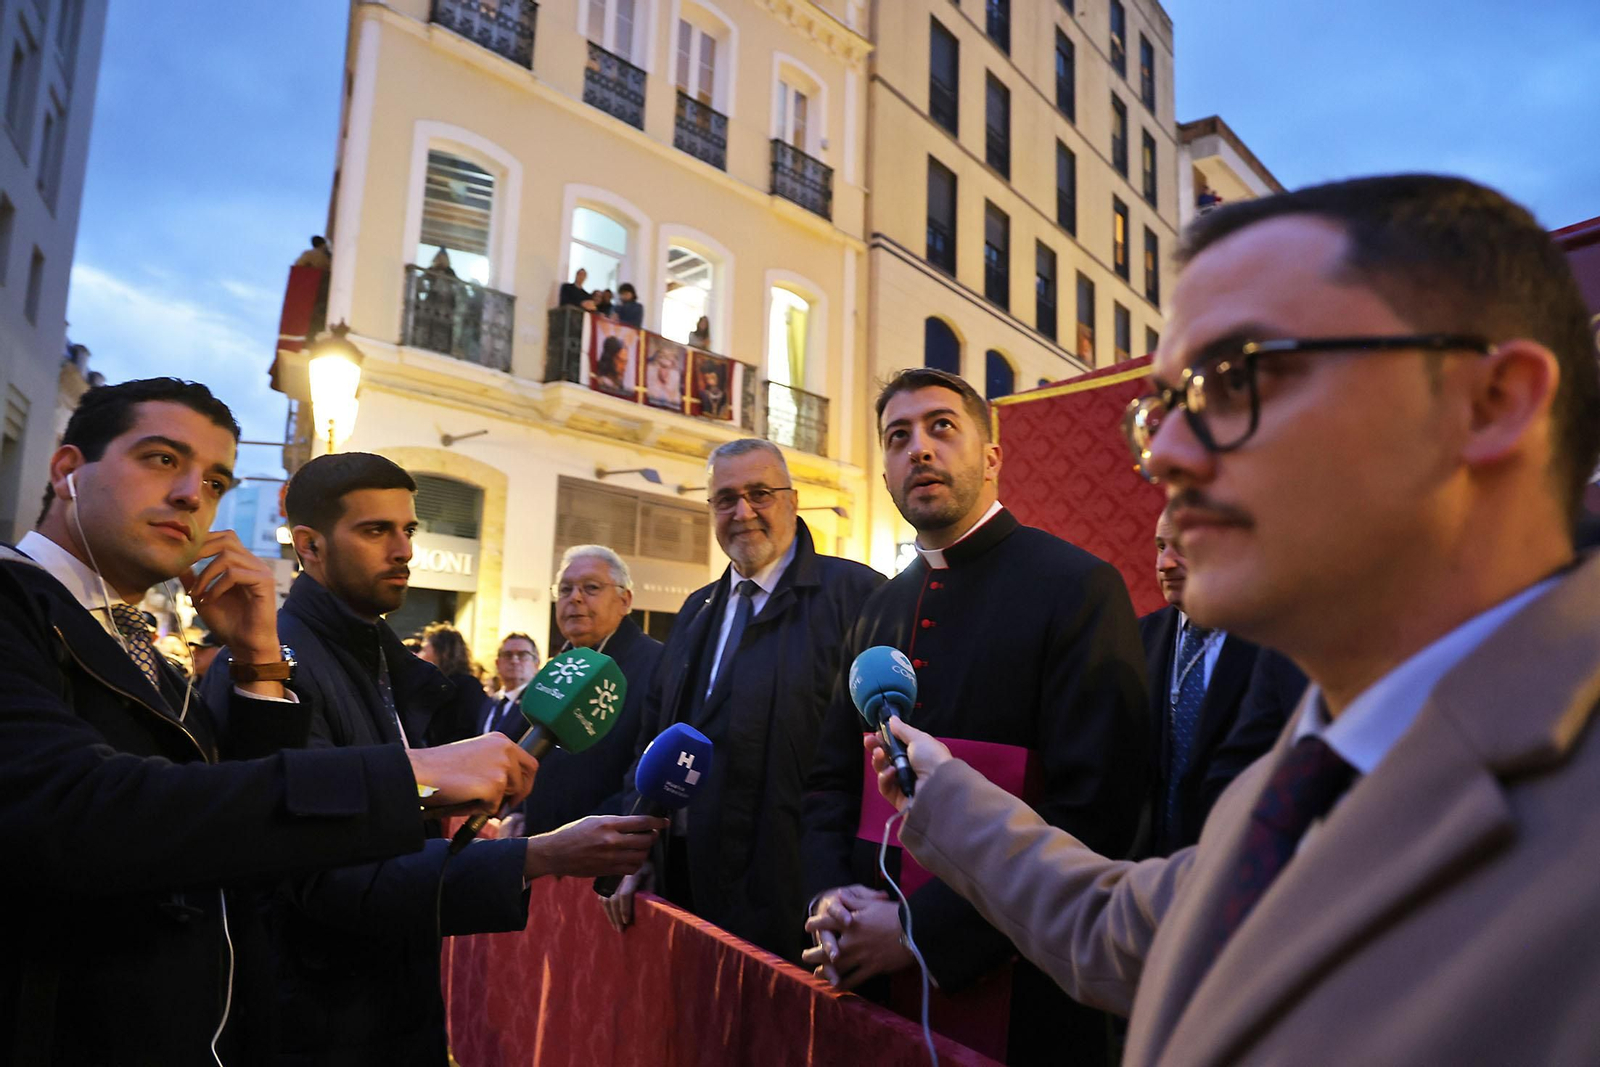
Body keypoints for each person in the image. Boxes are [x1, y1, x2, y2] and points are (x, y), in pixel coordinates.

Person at [864, 174, 1600, 1065]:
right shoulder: (1309, 766)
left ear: (1491, 403)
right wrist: (942, 793)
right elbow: (1122, 928)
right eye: (1161, 410)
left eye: (1235, 380)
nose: (1166, 454)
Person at [0, 379, 536, 1063]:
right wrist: (411, 774)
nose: (193, 494)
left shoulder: (151, 659)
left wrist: (258, 665)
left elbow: (242, 845)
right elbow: (82, 812)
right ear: (67, 470)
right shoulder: (15, 602)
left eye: (217, 479)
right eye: (162, 459)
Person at [206, 452, 663, 1065]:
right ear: (309, 546)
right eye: (376, 531)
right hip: (317, 1021)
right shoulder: (271, 670)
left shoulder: (377, 660)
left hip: (387, 1001)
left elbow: (373, 814)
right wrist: (540, 855)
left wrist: (440, 789)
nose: (403, 550)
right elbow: (326, 876)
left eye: (409, 530)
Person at [801, 367, 1149, 1064]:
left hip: (1024, 986)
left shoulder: (1079, 588)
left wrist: (916, 931)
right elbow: (829, 784)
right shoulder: (878, 608)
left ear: (991, 457)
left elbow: (1101, 815)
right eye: (898, 437)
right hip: (868, 973)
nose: (919, 450)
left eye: (941, 427)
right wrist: (833, 897)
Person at [601, 439, 883, 961]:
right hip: (687, 885)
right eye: (726, 498)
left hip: (800, 902)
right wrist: (634, 848)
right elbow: (653, 741)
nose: (743, 512)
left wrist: (841, 884)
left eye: (760, 493)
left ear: (793, 501)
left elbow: (875, 760)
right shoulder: (694, 611)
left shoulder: (858, 599)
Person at [1137, 502, 1299, 856]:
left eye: (1182, 547)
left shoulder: (1276, 640)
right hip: (1150, 871)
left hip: (1245, 860)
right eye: (1160, 547)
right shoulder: (1138, 639)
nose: (1165, 564)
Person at [516, 545, 663, 835]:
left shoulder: (657, 665)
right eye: (565, 589)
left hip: (603, 848)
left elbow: (649, 774)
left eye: (591, 588)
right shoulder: (559, 666)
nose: (575, 598)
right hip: (542, 847)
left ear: (625, 600)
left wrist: (598, 831)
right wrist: (523, 810)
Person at [419, 621, 488, 744]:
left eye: (424, 649)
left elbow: (467, 731)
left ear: (442, 652)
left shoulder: (468, 686)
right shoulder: (433, 685)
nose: (419, 656)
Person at [481, 631, 540, 738]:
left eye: (523, 655)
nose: (514, 660)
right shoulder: (489, 702)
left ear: (536, 664)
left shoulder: (537, 704)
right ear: (497, 663)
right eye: (507, 655)